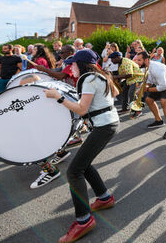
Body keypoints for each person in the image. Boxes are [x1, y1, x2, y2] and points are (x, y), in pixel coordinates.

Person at [44, 49, 119, 243]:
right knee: (83, 164)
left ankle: (83, 220)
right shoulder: (100, 76)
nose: (71, 67)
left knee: (73, 171)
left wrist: (58, 98)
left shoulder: (88, 79)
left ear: (83, 64)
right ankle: (104, 198)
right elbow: (116, 92)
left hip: (104, 127)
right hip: (108, 124)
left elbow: (81, 108)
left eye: (74, 64)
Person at [133, 51, 166, 139]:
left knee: (163, 101)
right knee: (148, 100)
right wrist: (141, 89)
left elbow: (163, 86)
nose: (137, 62)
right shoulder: (145, 68)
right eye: (137, 60)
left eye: (139, 60)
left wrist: (148, 89)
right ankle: (159, 121)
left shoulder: (156, 68)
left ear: (146, 60)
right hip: (160, 83)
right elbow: (149, 82)